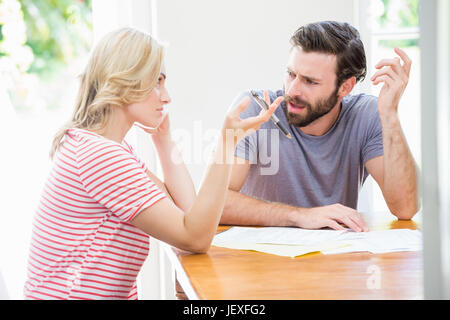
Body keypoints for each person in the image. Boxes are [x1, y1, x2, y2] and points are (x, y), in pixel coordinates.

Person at [23, 27, 282, 300]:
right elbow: (195, 237)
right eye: (156, 81)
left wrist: (164, 140)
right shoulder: (101, 156)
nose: (166, 96)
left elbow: (188, 211)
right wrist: (226, 143)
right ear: (124, 81)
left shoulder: (107, 148)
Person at [221, 21, 419, 232]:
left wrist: (390, 115)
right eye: (291, 74)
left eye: (310, 81)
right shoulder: (255, 109)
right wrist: (299, 216)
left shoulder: (366, 114)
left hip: (332, 258)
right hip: (259, 259)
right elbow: (217, 204)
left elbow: (406, 208)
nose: (293, 90)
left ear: (345, 87)